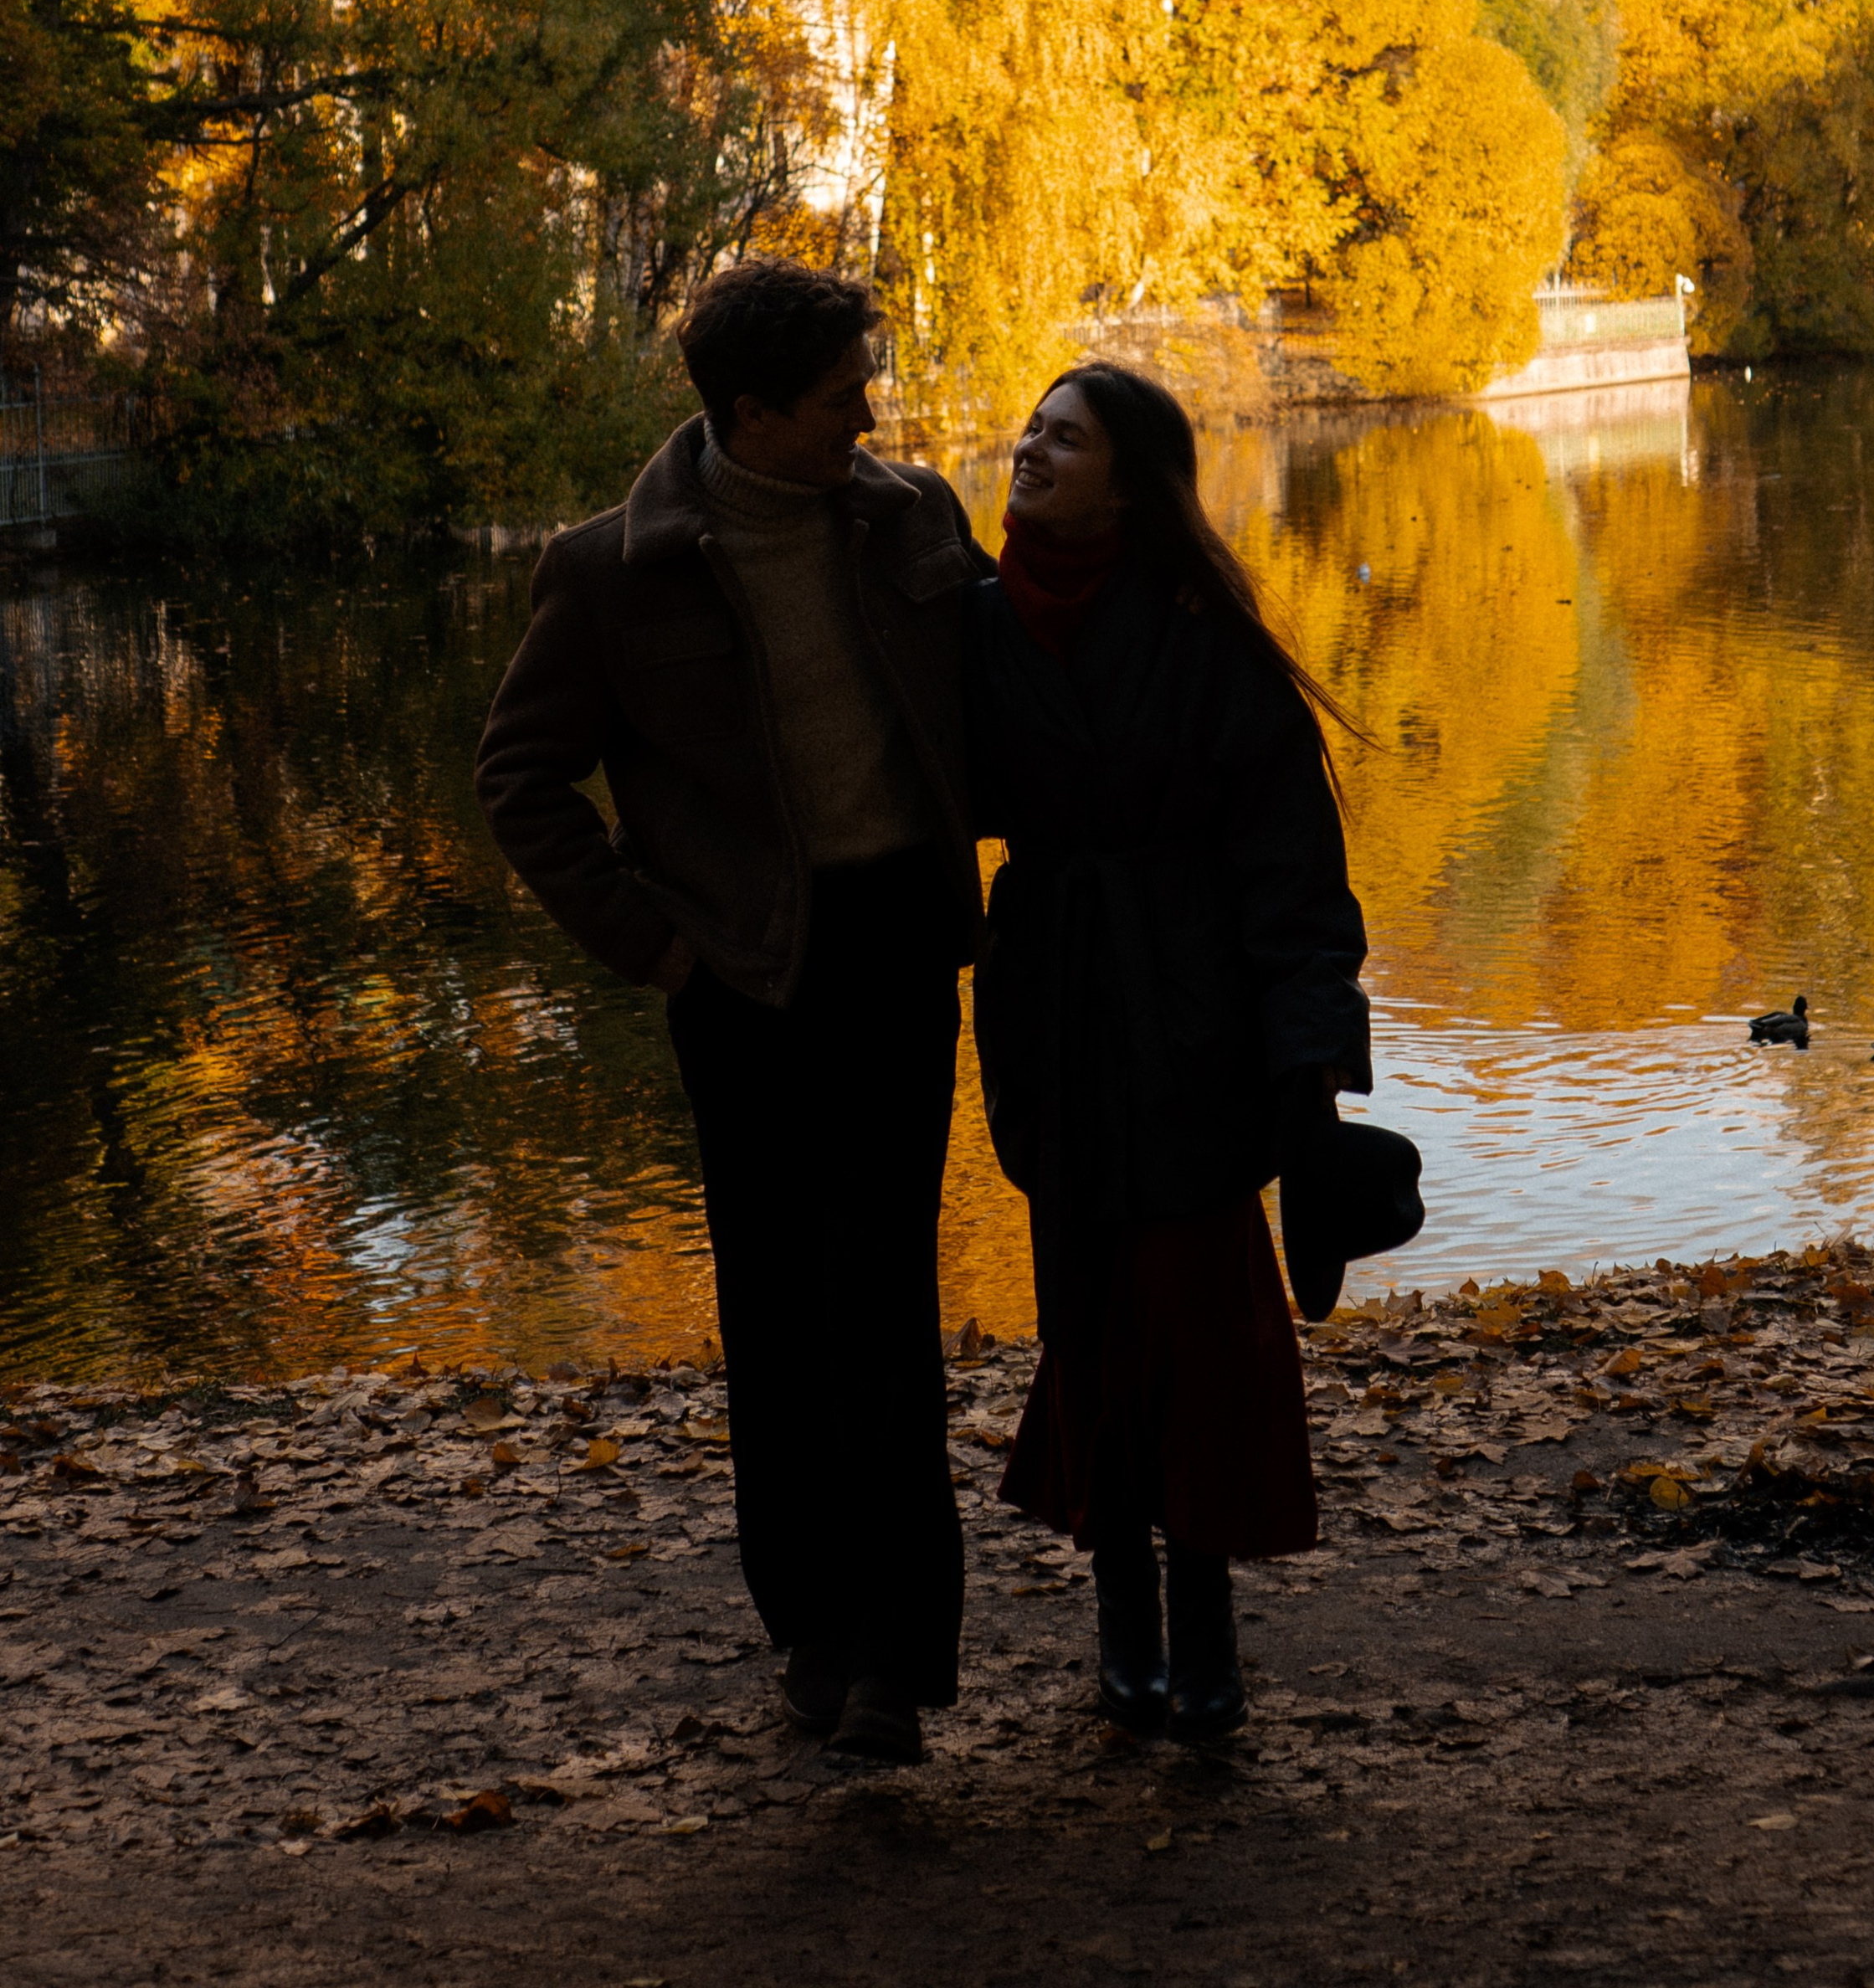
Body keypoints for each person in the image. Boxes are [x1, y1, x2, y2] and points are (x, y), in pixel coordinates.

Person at [475, 260, 989, 1764]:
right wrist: (654, 948)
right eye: (842, 397)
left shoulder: (912, 516)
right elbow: (522, 782)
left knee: (886, 1297)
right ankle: (815, 1631)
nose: (870, 416)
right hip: (741, 978)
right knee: (775, 1308)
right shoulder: (609, 573)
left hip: (897, 952)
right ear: (751, 413)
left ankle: (903, 1653)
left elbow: (1000, 695)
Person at [967, 359, 1378, 1741]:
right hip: (1057, 1022)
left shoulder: (1206, 634)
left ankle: (1203, 1627)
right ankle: (1121, 1626)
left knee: (1200, 1333)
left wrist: (1311, 1073)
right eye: (1032, 427)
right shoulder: (976, 623)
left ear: (1132, 479)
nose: (1030, 448)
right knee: (1086, 1320)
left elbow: (1295, 880)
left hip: (1195, 1022)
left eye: (1063, 437)